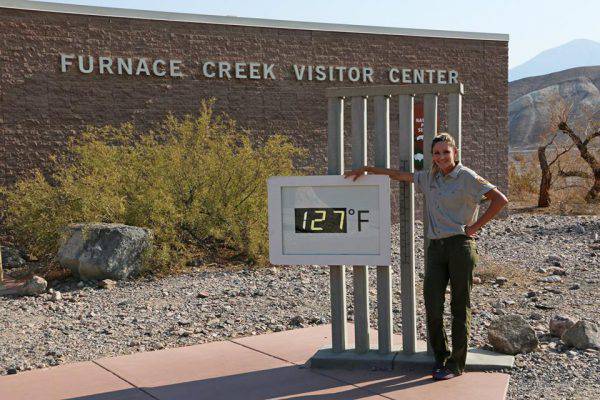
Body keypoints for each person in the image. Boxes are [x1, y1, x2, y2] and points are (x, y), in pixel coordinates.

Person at [344, 132, 508, 381]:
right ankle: (441, 357)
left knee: (459, 307)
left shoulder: (467, 176)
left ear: (455, 153)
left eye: (446, 152)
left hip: (460, 247)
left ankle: (456, 364)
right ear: (432, 156)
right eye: (437, 153)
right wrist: (367, 169)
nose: (441, 157)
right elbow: (400, 176)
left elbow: (499, 200)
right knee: (432, 304)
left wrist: (474, 228)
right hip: (435, 249)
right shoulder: (430, 177)